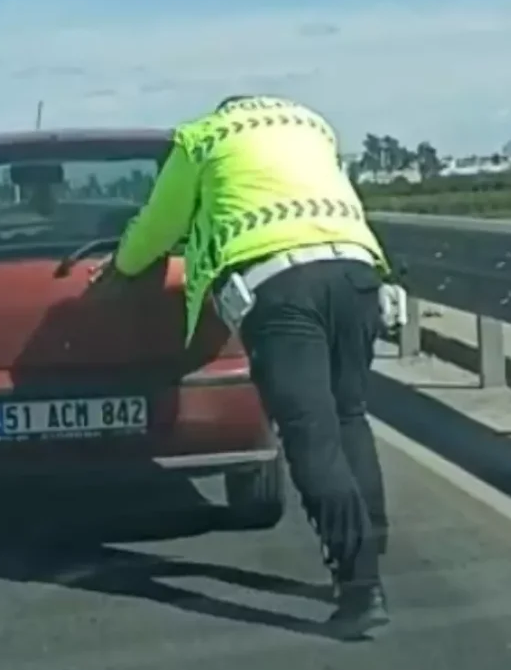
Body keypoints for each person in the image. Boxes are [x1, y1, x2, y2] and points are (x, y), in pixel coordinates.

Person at [92, 95, 391, 639]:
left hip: (281, 287)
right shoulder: (312, 123)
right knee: (350, 418)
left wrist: (123, 266)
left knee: (311, 436)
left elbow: (157, 229)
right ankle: (369, 558)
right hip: (356, 272)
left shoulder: (200, 138)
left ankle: (359, 587)